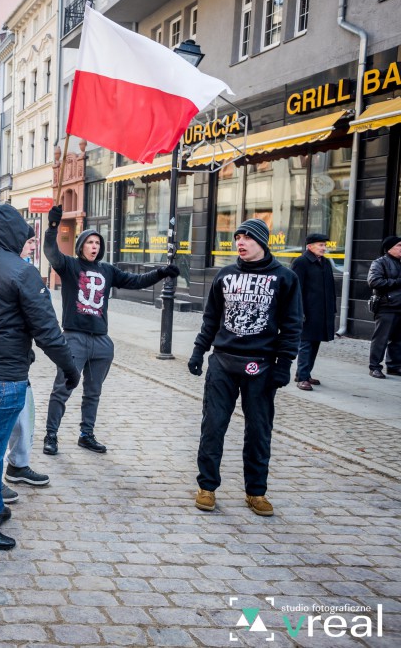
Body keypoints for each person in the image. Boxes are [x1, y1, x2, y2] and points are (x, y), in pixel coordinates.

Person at [0, 205, 80, 551]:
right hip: (3, 377)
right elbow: (49, 332)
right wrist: (70, 370)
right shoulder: (22, 273)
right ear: (13, 234)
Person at [41, 205, 178, 455]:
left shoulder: (107, 270)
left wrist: (162, 273)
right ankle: (51, 436)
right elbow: (51, 252)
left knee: (93, 392)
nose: (94, 246)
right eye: (90, 242)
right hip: (74, 339)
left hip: (101, 342)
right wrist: (52, 227)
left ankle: (86, 434)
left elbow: (135, 282)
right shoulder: (69, 266)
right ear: (81, 245)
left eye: (97, 243)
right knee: (62, 389)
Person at [188, 218, 301, 517]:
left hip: (261, 366)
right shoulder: (225, 275)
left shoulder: (284, 278)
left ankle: (256, 492)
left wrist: (284, 364)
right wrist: (199, 352)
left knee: (259, 431)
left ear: (262, 242)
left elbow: (292, 325)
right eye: (238, 237)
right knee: (213, 426)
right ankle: (207, 487)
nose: (241, 242)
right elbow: (211, 318)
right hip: (223, 362)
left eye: (248, 237)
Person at [2, 235, 51, 499]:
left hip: (19, 360)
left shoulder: (25, 273)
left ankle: (18, 465)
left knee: (25, 414)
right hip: (0, 364)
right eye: (29, 241)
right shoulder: (10, 272)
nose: (33, 246)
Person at [290, 232, 336, 390]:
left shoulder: (325, 262)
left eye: (325, 245)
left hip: (322, 311)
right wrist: (298, 311)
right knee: (306, 343)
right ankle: (302, 378)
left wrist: (332, 309)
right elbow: (296, 289)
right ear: (310, 246)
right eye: (321, 245)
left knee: (315, 342)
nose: (324, 248)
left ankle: (305, 373)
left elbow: (330, 289)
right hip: (307, 312)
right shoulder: (301, 262)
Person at [368, 235, 401, 378]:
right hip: (386, 306)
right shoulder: (380, 263)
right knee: (381, 338)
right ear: (389, 248)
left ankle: (394, 366)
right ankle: (375, 367)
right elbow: (374, 281)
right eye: (399, 245)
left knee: (399, 340)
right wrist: (398, 281)